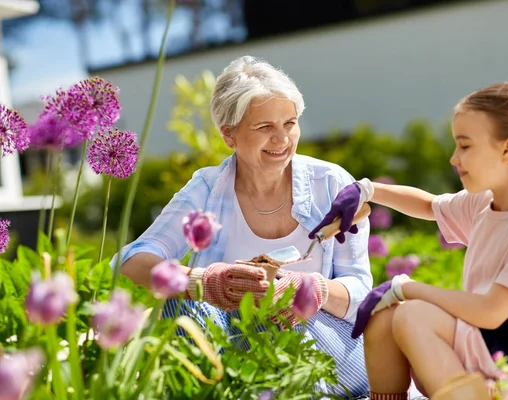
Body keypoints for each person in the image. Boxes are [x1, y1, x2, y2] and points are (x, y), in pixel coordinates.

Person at [309, 82, 508, 399]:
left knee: (412, 313)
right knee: (383, 316)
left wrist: (406, 288)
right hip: (491, 348)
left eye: (465, 146)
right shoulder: (483, 205)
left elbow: (491, 312)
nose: (453, 158)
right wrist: (366, 189)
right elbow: (427, 206)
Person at [111, 55, 372, 397]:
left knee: (279, 334)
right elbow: (131, 262)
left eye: (290, 123)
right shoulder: (206, 187)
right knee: (178, 299)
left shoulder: (331, 182)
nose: (282, 140)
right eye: (265, 127)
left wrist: (309, 289)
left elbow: (361, 290)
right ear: (228, 135)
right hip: (230, 346)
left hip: (317, 343)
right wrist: (205, 281)